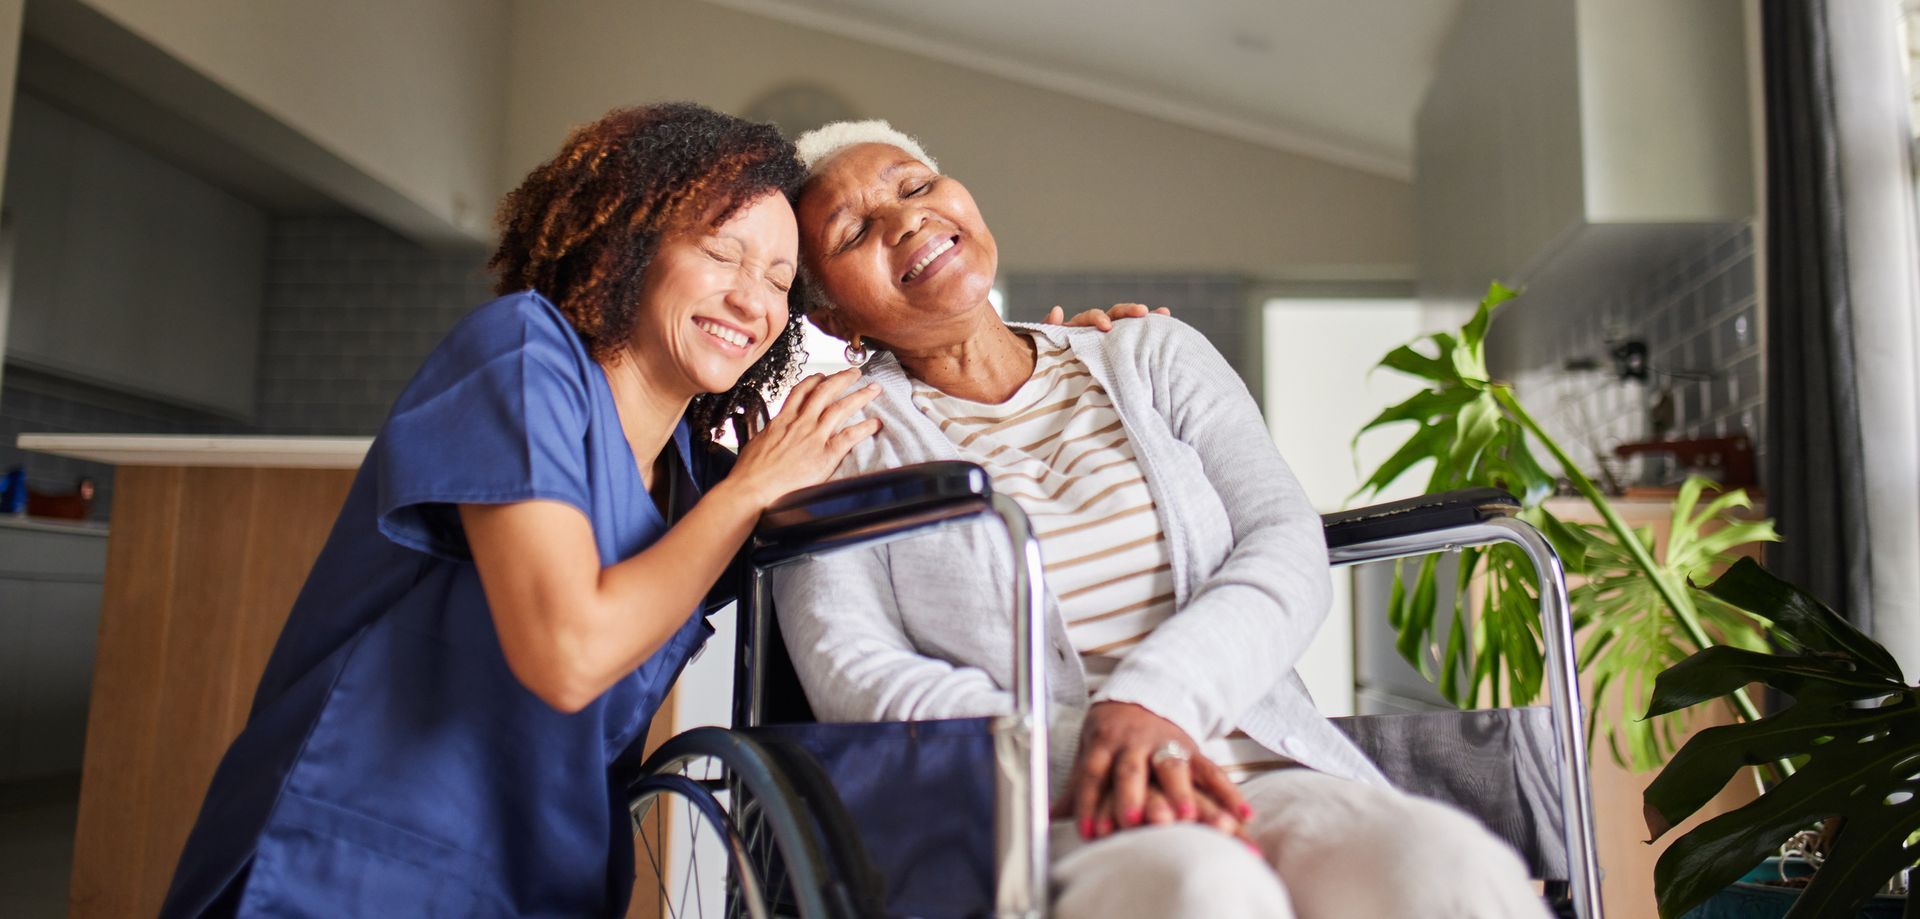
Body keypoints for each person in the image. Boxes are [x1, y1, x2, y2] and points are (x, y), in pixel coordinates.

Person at [772, 120, 1550, 918]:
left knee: (1449, 867)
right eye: (856, 230)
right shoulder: (839, 442)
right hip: (1056, 812)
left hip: (1268, 770)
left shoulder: (1150, 354)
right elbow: (854, 672)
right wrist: (1102, 752)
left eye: (916, 185)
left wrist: (1156, 704)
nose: (905, 219)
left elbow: (1284, 541)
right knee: (1208, 889)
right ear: (835, 318)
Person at [159, 103, 884, 917]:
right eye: (722, 252)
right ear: (629, 244)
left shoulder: (692, 478)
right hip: (359, 856)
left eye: (781, 281)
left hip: (540, 878)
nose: (754, 300)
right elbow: (568, 652)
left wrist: (1050, 370)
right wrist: (752, 488)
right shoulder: (519, 357)